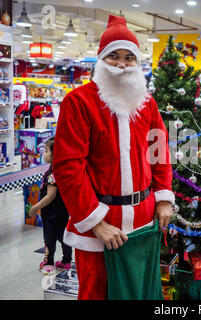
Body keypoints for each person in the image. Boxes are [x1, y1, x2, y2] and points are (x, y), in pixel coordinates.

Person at [52, 15, 174, 300]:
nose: (121, 64)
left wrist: (164, 198)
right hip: (99, 228)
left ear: (137, 62)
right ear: (101, 61)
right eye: (113, 56)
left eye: (129, 57)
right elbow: (69, 167)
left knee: (140, 293)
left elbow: (159, 150)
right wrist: (96, 223)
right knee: (97, 294)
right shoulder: (79, 102)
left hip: (143, 223)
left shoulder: (146, 103)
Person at [29, 136, 72, 275]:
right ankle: (66, 261)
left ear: (55, 155)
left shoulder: (52, 175)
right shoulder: (62, 170)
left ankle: (48, 263)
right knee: (64, 237)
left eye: (46, 151)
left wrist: (36, 207)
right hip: (63, 211)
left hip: (51, 214)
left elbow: (50, 196)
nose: (43, 154)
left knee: (49, 239)